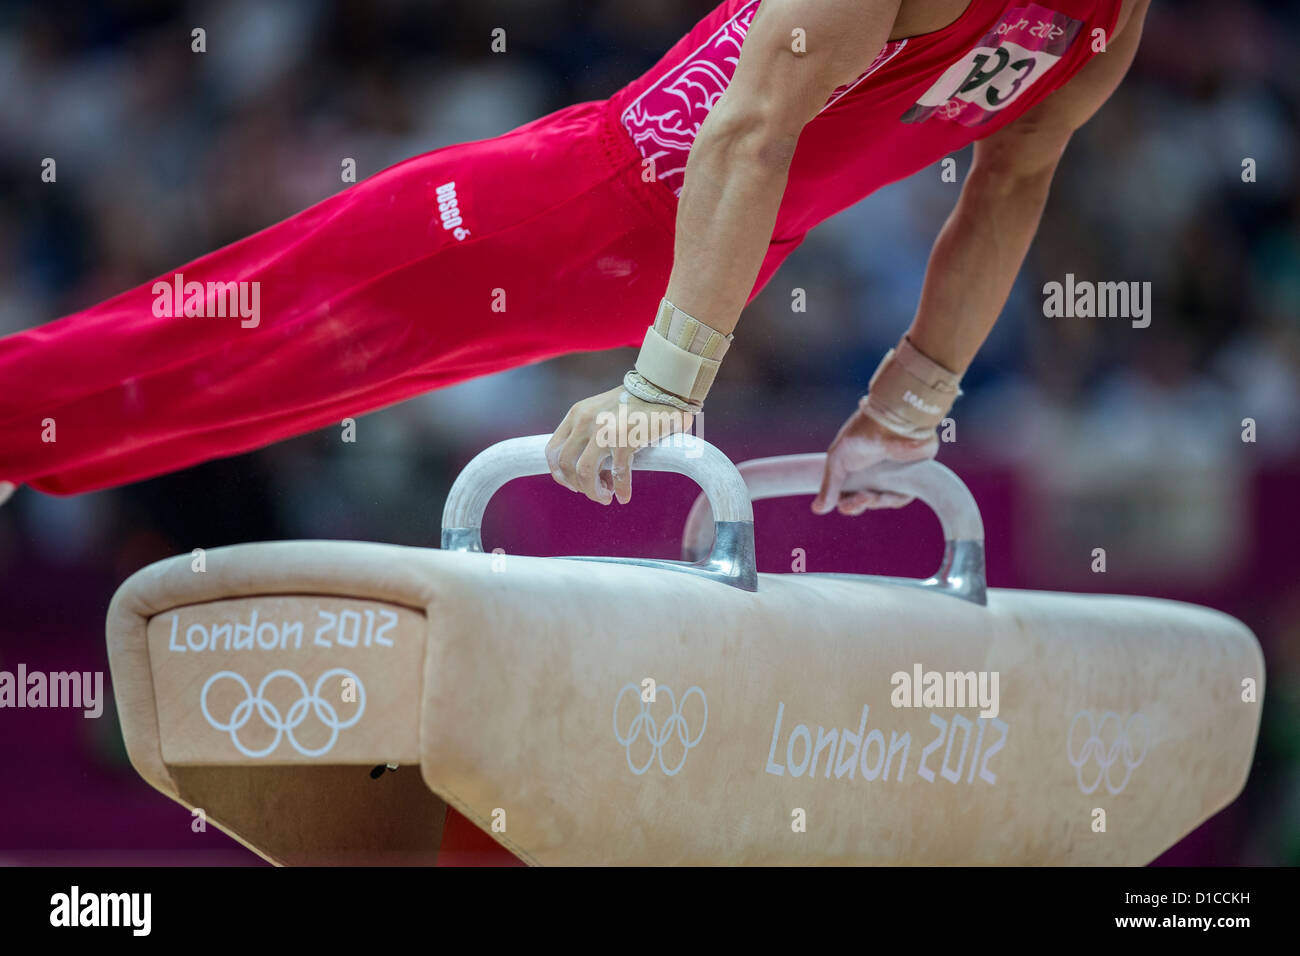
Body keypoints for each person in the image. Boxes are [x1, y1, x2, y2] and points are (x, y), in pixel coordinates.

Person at [0, 0, 1151, 515]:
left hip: (578, 207)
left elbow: (748, 134)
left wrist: (669, 385)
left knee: (256, 317)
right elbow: (1008, 182)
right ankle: (30, 444)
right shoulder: (1106, 16)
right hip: (686, 256)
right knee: (290, 378)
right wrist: (911, 398)